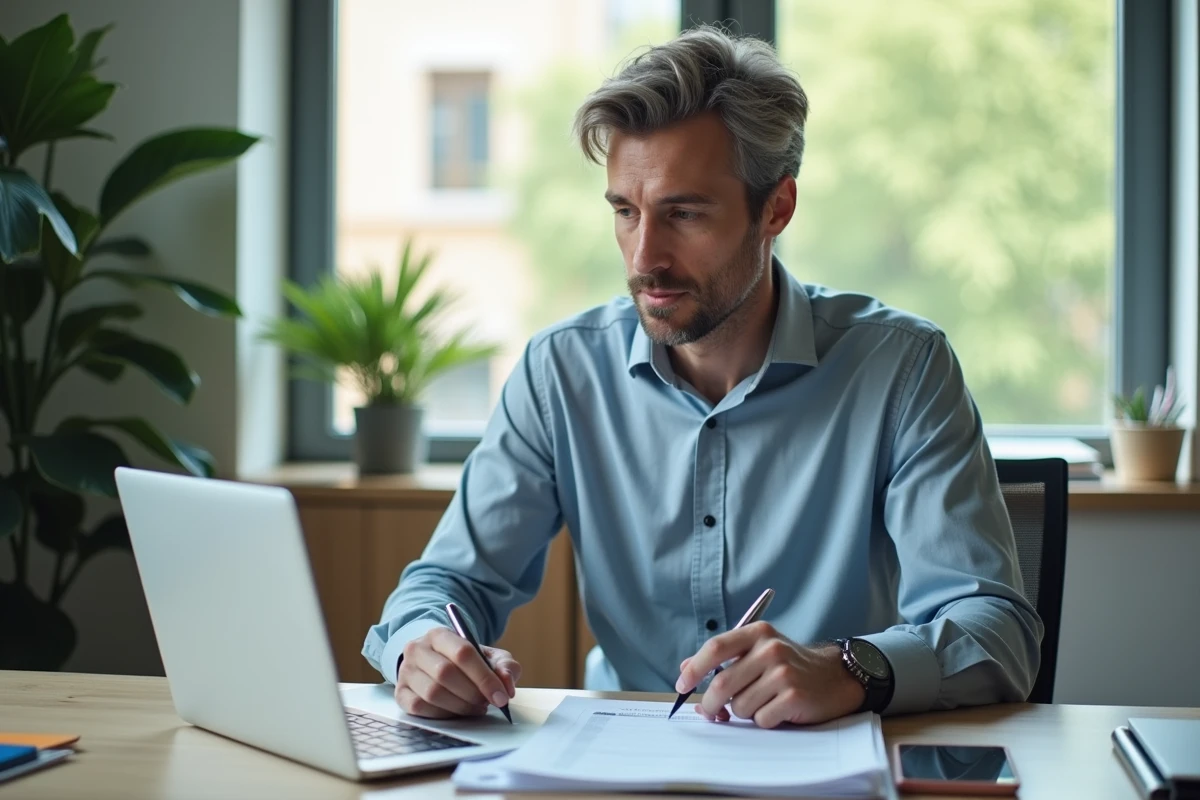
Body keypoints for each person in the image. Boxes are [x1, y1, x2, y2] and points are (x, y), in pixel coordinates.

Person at [362, 25, 1042, 729]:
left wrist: (846, 669)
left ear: (775, 209)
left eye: (683, 213)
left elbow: (997, 632)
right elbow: (445, 585)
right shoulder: (560, 372)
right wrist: (424, 648)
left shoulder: (902, 368)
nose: (643, 257)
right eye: (625, 212)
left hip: (824, 758)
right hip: (620, 759)